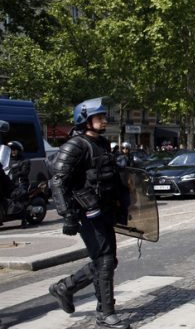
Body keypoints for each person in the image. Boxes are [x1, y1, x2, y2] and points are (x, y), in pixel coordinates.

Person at [48, 98, 131, 329]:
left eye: (104, 116)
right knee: (104, 260)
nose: (104, 120)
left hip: (105, 211)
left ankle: (65, 287)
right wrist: (67, 215)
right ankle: (105, 314)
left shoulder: (103, 143)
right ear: (85, 119)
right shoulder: (74, 145)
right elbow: (57, 181)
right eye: (99, 117)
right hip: (86, 212)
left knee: (108, 260)